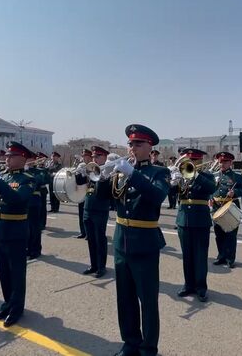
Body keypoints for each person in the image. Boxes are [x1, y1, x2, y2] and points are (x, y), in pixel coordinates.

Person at [112, 124, 169, 356]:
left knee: (147, 301)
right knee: (124, 299)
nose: (132, 148)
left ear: (150, 147)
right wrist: (89, 177)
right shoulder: (120, 172)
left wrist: (132, 174)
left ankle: (148, 348)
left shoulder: (159, 173)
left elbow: (157, 196)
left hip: (144, 243)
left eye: (138, 144)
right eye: (131, 143)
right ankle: (130, 342)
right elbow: (106, 199)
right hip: (121, 242)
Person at [0, 141, 36, 328]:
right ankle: (7, 304)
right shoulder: (3, 176)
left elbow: (17, 200)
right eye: (7, 155)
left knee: (17, 273)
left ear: (22, 158)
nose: (7, 158)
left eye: (11, 156)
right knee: (3, 272)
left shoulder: (28, 179)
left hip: (16, 231)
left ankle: (17, 308)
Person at [174, 148, 216, 302]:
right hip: (184, 220)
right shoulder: (182, 177)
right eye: (188, 161)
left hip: (200, 220)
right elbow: (172, 191)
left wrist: (196, 175)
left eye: (193, 160)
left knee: (200, 256)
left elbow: (212, 188)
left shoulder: (207, 175)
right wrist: (173, 176)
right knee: (187, 256)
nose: (190, 163)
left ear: (199, 161)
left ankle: (201, 287)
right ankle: (188, 285)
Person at [81, 146, 113, 278]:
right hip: (88, 208)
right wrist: (80, 173)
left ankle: (101, 267)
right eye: (93, 157)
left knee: (100, 239)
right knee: (91, 239)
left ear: (105, 157)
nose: (94, 159)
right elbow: (80, 183)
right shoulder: (91, 170)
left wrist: (102, 178)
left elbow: (103, 194)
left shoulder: (108, 172)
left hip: (100, 209)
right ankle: (93, 265)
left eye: (97, 156)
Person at [211, 152, 242, 268]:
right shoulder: (214, 175)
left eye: (225, 162)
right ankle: (221, 256)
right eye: (221, 162)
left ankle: (230, 258)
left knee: (230, 234)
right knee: (219, 234)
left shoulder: (237, 177)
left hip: (230, 206)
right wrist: (210, 198)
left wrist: (234, 192)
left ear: (231, 163)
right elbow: (210, 189)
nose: (222, 164)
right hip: (217, 207)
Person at [23, 152, 43, 259]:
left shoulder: (38, 171)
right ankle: (27, 248)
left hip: (34, 202)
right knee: (26, 228)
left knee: (34, 228)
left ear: (34, 160)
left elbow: (39, 181)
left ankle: (35, 250)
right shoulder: (22, 171)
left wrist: (27, 172)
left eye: (29, 159)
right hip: (24, 202)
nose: (26, 161)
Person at [75, 149, 93, 239]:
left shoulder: (94, 166)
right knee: (81, 213)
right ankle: (83, 232)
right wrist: (79, 174)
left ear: (90, 157)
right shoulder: (81, 166)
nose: (84, 158)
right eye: (83, 157)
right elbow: (78, 182)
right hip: (82, 192)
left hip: (91, 193)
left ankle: (89, 233)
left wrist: (87, 174)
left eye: (86, 156)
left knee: (89, 215)